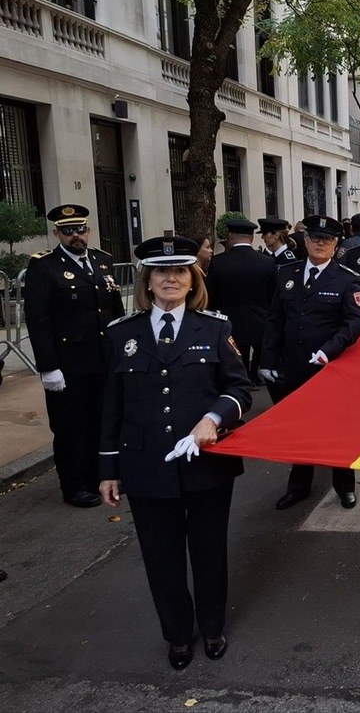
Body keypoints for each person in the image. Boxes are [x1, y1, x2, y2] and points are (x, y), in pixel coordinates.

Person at [98, 235, 252, 670]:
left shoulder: (216, 327)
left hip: (206, 465)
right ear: (147, 282)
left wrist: (214, 419)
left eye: (180, 271)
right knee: (161, 557)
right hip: (146, 466)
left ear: (192, 279)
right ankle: (178, 635)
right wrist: (108, 468)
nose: (170, 278)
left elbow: (239, 387)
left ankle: (213, 626)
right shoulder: (120, 335)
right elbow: (111, 407)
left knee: (208, 552)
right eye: (161, 272)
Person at [260, 214, 360, 511]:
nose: (320, 244)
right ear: (305, 241)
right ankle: (298, 487)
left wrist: (328, 351)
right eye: (315, 238)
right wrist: (267, 360)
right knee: (299, 429)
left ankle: (344, 487)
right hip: (293, 366)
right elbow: (275, 321)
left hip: (330, 367)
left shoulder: (347, 278)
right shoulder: (287, 273)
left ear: (335, 245)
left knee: (336, 429)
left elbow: (356, 323)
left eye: (327, 239)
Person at [23, 204, 125, 507]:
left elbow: (115, 314)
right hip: (68, 365)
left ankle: (100, 477)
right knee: (70, 427)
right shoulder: (44, 266)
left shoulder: (102, 261)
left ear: (88, 230)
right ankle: (75, 485)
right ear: (57, 233)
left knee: (102, 421)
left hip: (103, 360)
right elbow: (38, 320)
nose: (75, 235)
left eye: (80, 229)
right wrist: (48, 367)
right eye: (68, 230)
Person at [207, 219, 276, 385]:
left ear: (231, 237)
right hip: (261, 314)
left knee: (238, 350)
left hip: (231, 316)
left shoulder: (218, 262)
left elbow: (212, 294)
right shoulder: (267, 262)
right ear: (252, 238)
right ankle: (255, 374)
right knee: (259, 348)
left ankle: (243, 376)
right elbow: (273, 292)